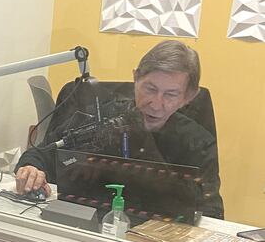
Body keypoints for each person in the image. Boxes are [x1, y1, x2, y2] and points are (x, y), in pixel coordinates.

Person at [15, 40, 223, 219]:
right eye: (150, 89)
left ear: (188, 97)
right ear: (135, 78)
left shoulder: (197, 143)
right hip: (86, 230)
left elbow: (211, 211)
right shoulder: (105, 119)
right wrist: (31, 169)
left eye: (170, 94)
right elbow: (41, 154)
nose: (156, 103)